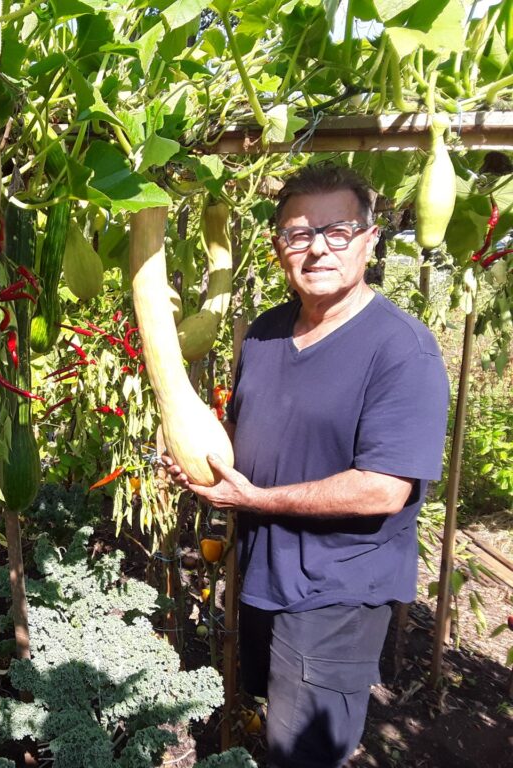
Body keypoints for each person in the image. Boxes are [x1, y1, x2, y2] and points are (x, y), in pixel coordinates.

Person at [162, 164, 450, 768]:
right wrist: (204, 461)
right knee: (278, 726)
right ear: (277, 249)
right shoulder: (265, 333)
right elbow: (245, 430)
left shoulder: (402, 349)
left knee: (306, 753)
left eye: (337, 230)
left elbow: (382, 490)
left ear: (371, 241)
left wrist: (253, 501)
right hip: (266, 573)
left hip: (336, 592)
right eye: (298, 233)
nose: (317, 247)